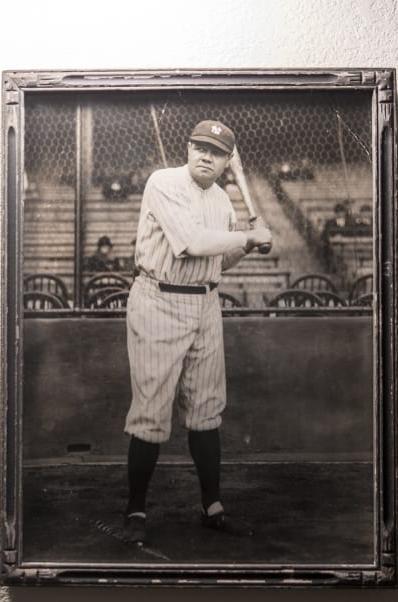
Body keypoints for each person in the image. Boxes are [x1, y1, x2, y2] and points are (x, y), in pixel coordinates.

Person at [121, 120, 273, 544]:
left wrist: (247, 245)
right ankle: (135, 509)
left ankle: (211, 504)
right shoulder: (163, 182)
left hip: (206, 302)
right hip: (159, 300)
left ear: (227, 162)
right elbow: (190, 243)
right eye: (199, 147)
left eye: (216, 151)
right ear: (187, 149)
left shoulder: (222, 198)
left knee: (207, 408)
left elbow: (219, 263)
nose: (206, 156)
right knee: (151, 412)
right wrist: (247, 233)